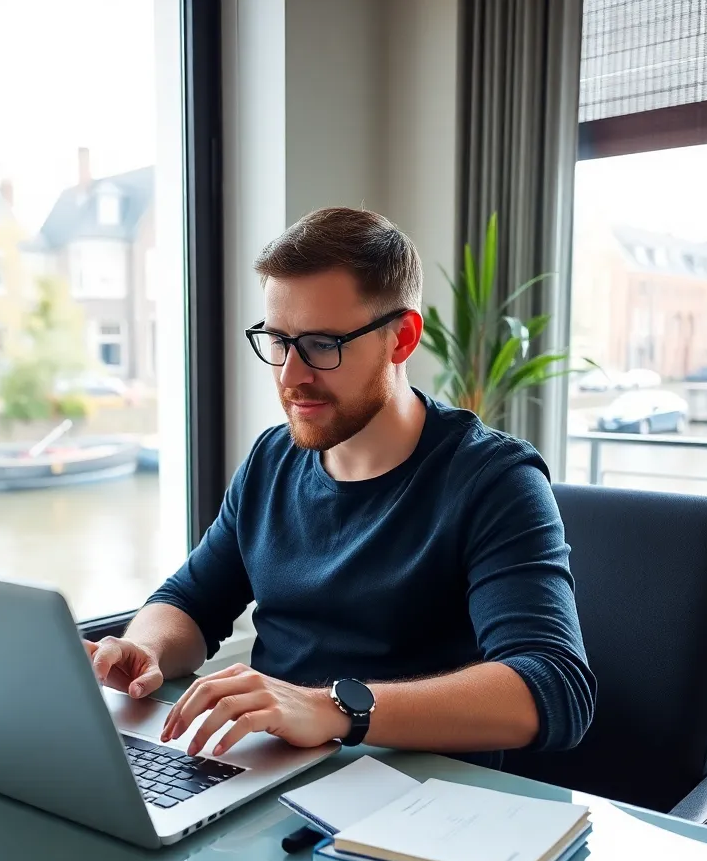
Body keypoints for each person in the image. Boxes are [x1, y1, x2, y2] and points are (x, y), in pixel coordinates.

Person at [86, 207, 595, 768]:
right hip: (267, 775)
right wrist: (146, 649)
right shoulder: (270, 460)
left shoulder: (493, 481)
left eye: (322, 345)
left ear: (401, 339)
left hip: (422, 805)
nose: (289, 375)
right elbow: (189, 602)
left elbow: (554, 687)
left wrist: (335, 710)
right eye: (278, 341)